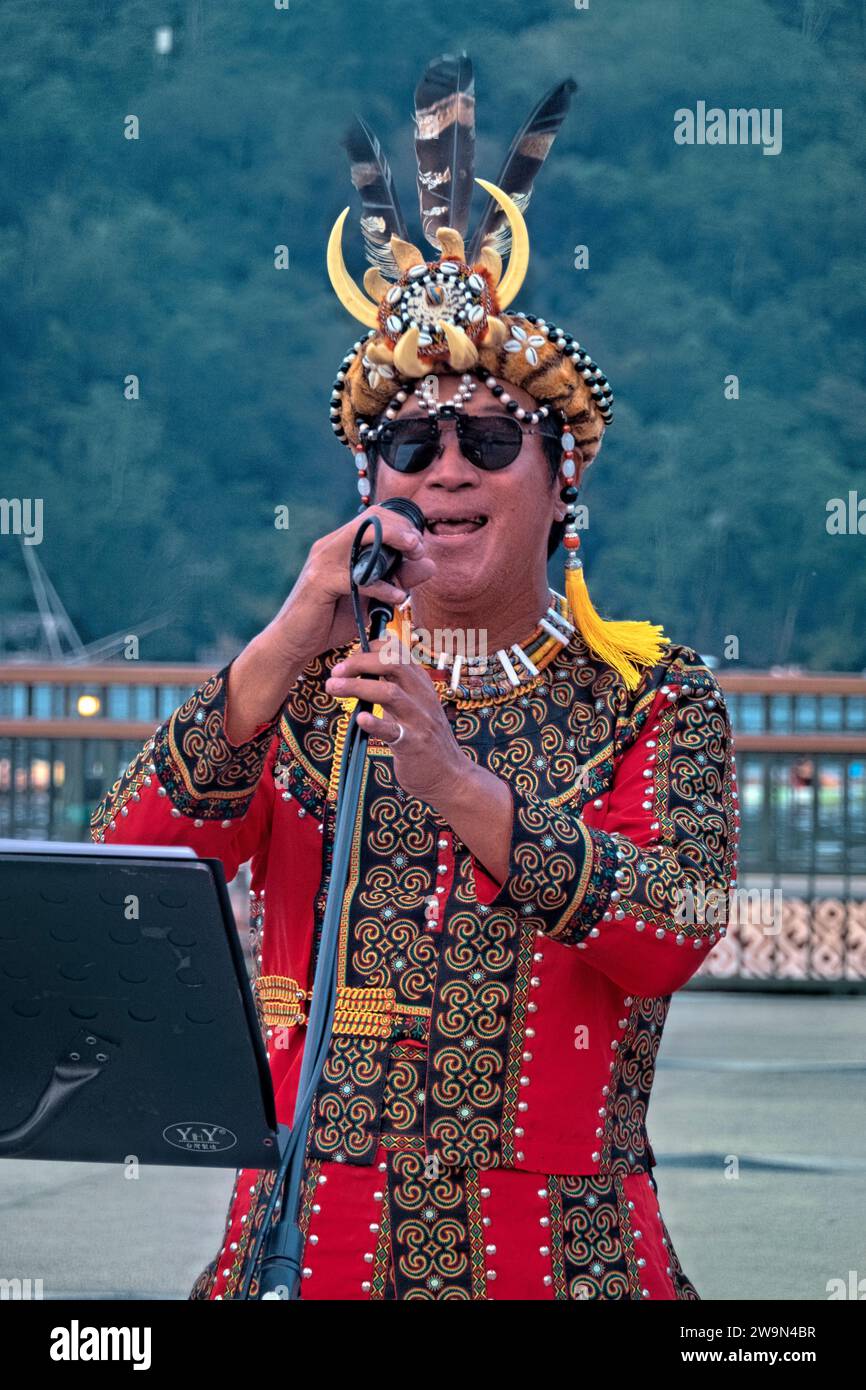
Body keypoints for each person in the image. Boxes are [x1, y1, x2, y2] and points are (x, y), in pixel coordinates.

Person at [92, 54, 738, 1300]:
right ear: (370, 479)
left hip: (562, 1258)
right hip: (304, 1244)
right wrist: (283, 644)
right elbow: (130, 875)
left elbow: (672, 926)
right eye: (409, 443)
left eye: (488, 440)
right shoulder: (301, 686)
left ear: (560, 486)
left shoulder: (653, 692)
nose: (443, 469)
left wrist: (455, 783)